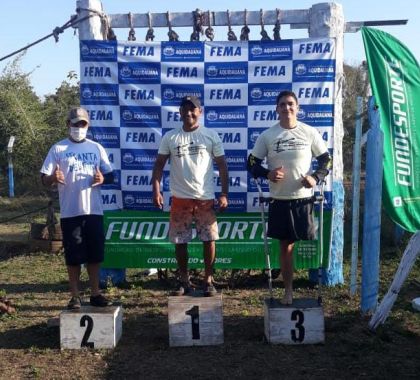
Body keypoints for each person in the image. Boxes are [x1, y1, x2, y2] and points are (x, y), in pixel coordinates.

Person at [247, 90, 331, 305]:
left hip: (304, 199)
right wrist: (268, 174)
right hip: (280, 200)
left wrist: (315, 177)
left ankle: (313, 286)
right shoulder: (268, 135)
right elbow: (251, 163)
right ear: (277, 109)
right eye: (282, 104)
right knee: (285, 246)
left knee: (303, 244)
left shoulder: (309, 132)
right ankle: (288, 291)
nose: (287, 108)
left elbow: (326, 160)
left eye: (291, 104)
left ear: (298, 107)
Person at [152, 95, 229, 297]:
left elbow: (222, 166)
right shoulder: (170, 137)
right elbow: (159, 165)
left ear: (200, 112)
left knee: (209, 240)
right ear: (179, 113)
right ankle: (184, 281)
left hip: (205, 199)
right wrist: (156, 190)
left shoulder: (211, 135)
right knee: (180, 242)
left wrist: (224, 194)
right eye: (184, 109)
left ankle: (208, 280)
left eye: (192, 109)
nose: (188, 113)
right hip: (180, 199)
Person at [40, 107, 114, 310]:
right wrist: (53, 178)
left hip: (94, 210)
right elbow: (43, 179)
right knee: (73, 256)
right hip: (70, 211)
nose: (78, 127)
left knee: (94, 255)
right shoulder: (58, 149)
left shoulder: (96, 148)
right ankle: (75, 296)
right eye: (75, 124)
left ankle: (96, 293)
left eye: (82, 124)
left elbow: (111, 175)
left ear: (87, 125)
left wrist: (103, 178)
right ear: (68, 125)